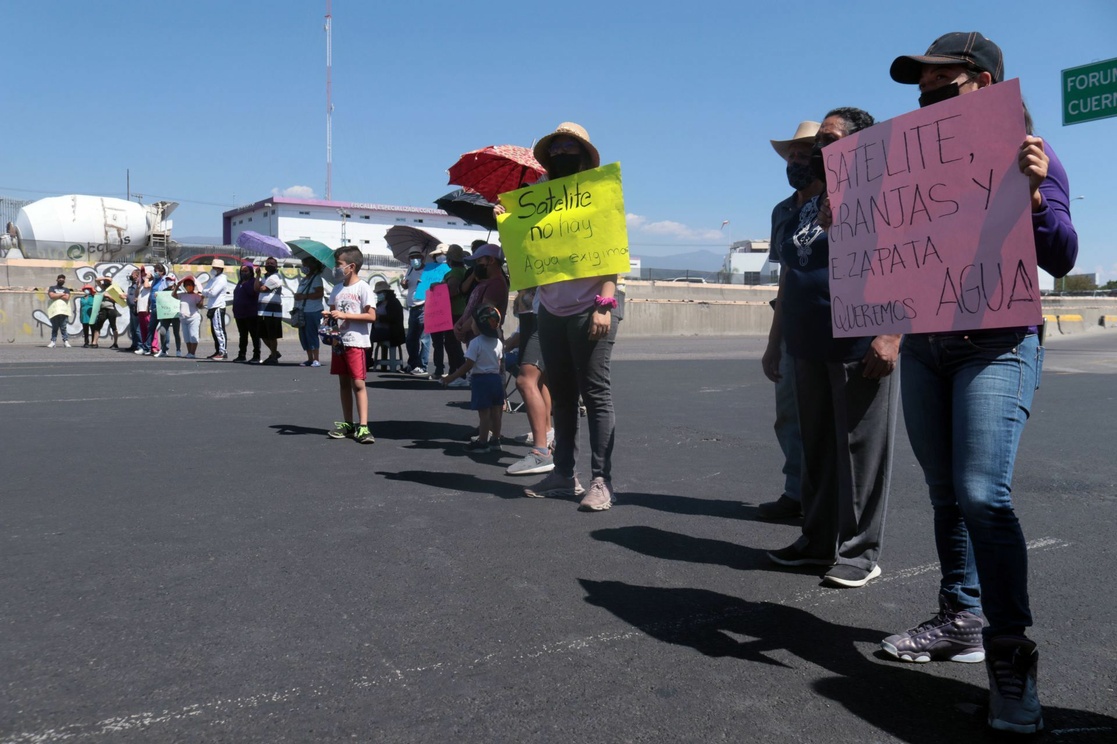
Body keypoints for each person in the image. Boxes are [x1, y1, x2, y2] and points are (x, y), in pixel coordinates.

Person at [879, 33, 1078, 736]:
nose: (926, 88)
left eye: (941, 77)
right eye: (919, 81)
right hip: (927, 347)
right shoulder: (909, 163)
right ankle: (958, 618)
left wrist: (1031, 196)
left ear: (984, 80)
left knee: (979, 494)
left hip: (997, 343)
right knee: (942, 493)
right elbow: (894, 255)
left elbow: (1059, 255)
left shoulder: (1032, 151)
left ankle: (1009, 657)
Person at [762, 107, 899, 588]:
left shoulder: (882, 198)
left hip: (857, 342)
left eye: (830, 138)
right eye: (818, 138)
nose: (819, 147)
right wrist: (776, 343)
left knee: (859, 452)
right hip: (805, 343)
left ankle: (860, 552)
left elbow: (902, 266)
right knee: (816, 447)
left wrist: (890, 333)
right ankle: (815, 542)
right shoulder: (804, 206)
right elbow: (791, 276)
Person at [517, 122, 619, 511]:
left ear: (583, 155)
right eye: (555, 147)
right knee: (562, 396)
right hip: (551, 310)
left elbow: (613, 251)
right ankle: (563, 474)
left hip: (592, 307)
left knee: (595, 395)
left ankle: (601, 480)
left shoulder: (599, 195)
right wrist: (509, 222)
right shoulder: (536, 200)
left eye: (568, 147)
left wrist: (605, 303)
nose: (561, 153)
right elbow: (533, 253)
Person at [757, 121, 823, 521]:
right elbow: (785, 278)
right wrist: (772, 342)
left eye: (805, 154)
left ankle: (822, 496)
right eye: (793, 156)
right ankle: (795, 491)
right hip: (791, 326)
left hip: (829, 325)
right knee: (788, 415)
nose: (797, 162)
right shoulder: (782, 210)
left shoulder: (841, 201)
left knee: (825, 419)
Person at [323, 246, 377, 444]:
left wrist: (345, 315)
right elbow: (332, 313)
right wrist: (328, 317)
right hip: (339, 342)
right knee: (343, 383)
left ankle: (363, 426)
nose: (335, 269)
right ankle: (348, 423)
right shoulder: (337, 289)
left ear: (351, 266)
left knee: (358, 383)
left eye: (338, 265)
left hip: (356, 342)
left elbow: (371, 316)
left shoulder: (363, 288)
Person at [504, 288, 554, 476]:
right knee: (541, 380)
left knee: (525, 381)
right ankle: (547, 434)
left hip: (544, 317)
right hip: (537, 318)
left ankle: (541, 451)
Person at [442, 304, 505, 453]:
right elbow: (499, 362)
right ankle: (496, 440)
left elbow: (468, 364)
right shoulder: (498, 342)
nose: (471, 325)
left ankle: (482, 442)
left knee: (484, 414)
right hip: (496, 380)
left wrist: (450, 377)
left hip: (481, 381)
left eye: (473, 322)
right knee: (496, 412)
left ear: (480, 326)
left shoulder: (475, 343)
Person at [454, 244, 509, 347]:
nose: (476, 265)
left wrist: (461, 329)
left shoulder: (496, 284)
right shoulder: (486, 282)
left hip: (486, 344)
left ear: (491, 260)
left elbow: (482, 313)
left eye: (479, 261)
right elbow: (471, 307)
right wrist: (459, 322)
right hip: (476, 342)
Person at [439, 244, 469, 386]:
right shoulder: (463, 271)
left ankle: (457, 373)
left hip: (454, 312)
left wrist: (439, 287)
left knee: (452, 344)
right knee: (453, 343)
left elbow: (452, 290)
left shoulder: (455, 273)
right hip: (459, 311)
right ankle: (457, 372)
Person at [422, 244, 453, 378]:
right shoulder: (429, 270)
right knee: (437, 343)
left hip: (448, 311)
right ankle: (439, 369)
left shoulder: (453, 271)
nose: (441, 256)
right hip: (434, 310)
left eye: (444, 254)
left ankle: (453, 370)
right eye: (439, 254)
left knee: (450, 343)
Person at [400, 247, 429, 375]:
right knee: (411, 338)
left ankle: (422, 366)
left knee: (424, 338)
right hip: (413, 307)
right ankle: (412, 364)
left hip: (424, 306)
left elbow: (433, 287)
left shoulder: (428, 270)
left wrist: (423, 284)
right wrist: (404, 284)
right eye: (411, 257)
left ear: (422, 258)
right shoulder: (410, 269)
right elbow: (407, 285)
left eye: (416, 257)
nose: (414, 259)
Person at [294, 256, 326, 367]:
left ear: (312, 265)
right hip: (302, 310)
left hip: (312, 311)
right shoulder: (304, 279)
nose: (303, 267)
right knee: (303, 335)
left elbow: (319, 294)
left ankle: (316, 359)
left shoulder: (316, 278)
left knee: (311, 334)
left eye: (305, 264)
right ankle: (309, 358)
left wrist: (304, 296)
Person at [368, 280, 405, 369]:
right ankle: (369, 360)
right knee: (367, 334)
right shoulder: (380, 303)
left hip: (392, 332)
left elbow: (393, 318)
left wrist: (379, 317)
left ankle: (367, 361)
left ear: (386, 292)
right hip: (381, 330)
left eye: (380, 292)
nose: (378, 295)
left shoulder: (394, 302)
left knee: (369, 337)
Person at [254, 257, 285, 365]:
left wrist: (259, 280)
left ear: (276, 266)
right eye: (267, 263)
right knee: (262, 334)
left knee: (272, 336)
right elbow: (256, 288)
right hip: (262, 310)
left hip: (272, 311)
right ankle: (274, 352)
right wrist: (258, 276)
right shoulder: (264, 277)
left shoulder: (275, 277)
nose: (269, 265)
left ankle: (273, 356)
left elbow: (262, 289)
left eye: (271, 263)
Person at [232, 262, 261, 363]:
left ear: (250, 272)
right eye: (242, 271)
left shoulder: (253, 282)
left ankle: (256, 355)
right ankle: (242, 355)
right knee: (243, 335)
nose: (243, 273)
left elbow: (252, 293)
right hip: (239, 314)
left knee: (254, 335)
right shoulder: (239, 283)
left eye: (246, 271)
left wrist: (245, 285)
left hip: (251, 314)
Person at [140, 263, 170, 355]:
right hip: (153, 307)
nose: (155, 272)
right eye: (155, 270)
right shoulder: (155, 280)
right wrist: (148, 305)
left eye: (157, 271)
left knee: (164, 329)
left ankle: (164, 349)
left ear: (162, 271)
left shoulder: (165, 280)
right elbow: (152, 291)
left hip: (162, 307)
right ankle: (147, 348)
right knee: (151, 328)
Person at [172, 275, 204, 358]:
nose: (188, 286)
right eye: (186, 285)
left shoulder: (197, 296)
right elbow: (173, 295)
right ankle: (189, 352)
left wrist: (202, 298)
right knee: (186, 337)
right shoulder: (182, 295)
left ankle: (193, 353)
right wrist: (177, 286)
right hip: (183, 319)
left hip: (193, 318)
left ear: (193, 286)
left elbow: (200, 306)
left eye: (190, 284)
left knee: (193, 336)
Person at [204, 259, 229, 360]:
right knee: (215, 331)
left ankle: (223, 351)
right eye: (213, 267)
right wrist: (207, 291)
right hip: (212, 307)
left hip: (218, 307)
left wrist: (206, 291)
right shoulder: (213, 279)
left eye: (215, 267)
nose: (213, 269)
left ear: (220, 269)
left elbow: (213, 293)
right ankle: (217, 350)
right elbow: (205, 291)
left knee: (219, 330)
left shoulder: (222, 279)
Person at [152, 272, 181, 357]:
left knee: (176, 332)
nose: (169, 281)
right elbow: (161, 301)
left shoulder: (178, 291)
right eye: (167, 279)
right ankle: (163, 350)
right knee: (163, 331)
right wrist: (158, 296)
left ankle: (178, 350)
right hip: (165, 314)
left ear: (174, 280)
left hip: (175, 314)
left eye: (171, 280)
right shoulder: (164, 291)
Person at [91, 276, 120, 349]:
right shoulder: (103, 288)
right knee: (98, 325)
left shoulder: (113, 289)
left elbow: (118, 300)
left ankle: (115, 343)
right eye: (105, 281)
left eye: (107, 281)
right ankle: (94, 342)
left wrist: (109, 296)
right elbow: (97, 280)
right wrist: (105, 278)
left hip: (111, 309)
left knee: (113, 326)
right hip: (103, 309)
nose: (105, 282)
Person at [46, 274, 72, 348]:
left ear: (64, 281)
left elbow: (67, 298)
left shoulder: (66, 289)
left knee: (63, 327)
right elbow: (51, 296)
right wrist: (62, 294)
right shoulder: (52, 288)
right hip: (55, 311)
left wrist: (56, 295)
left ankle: (66, 341)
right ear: (57, 280)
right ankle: (53, 341)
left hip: (64, 311)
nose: (61, 280)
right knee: (55, 327)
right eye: (60, 278)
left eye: (63, 279)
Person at [125, 269, 141, 351]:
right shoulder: (132, 285)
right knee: (132, 328)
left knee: (138, 329)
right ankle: (134, 344)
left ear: (137, 276)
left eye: (133, 274)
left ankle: (140, 345)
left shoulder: (138, 286)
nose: (131, 276)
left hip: (136, 308)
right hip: (131, 308)